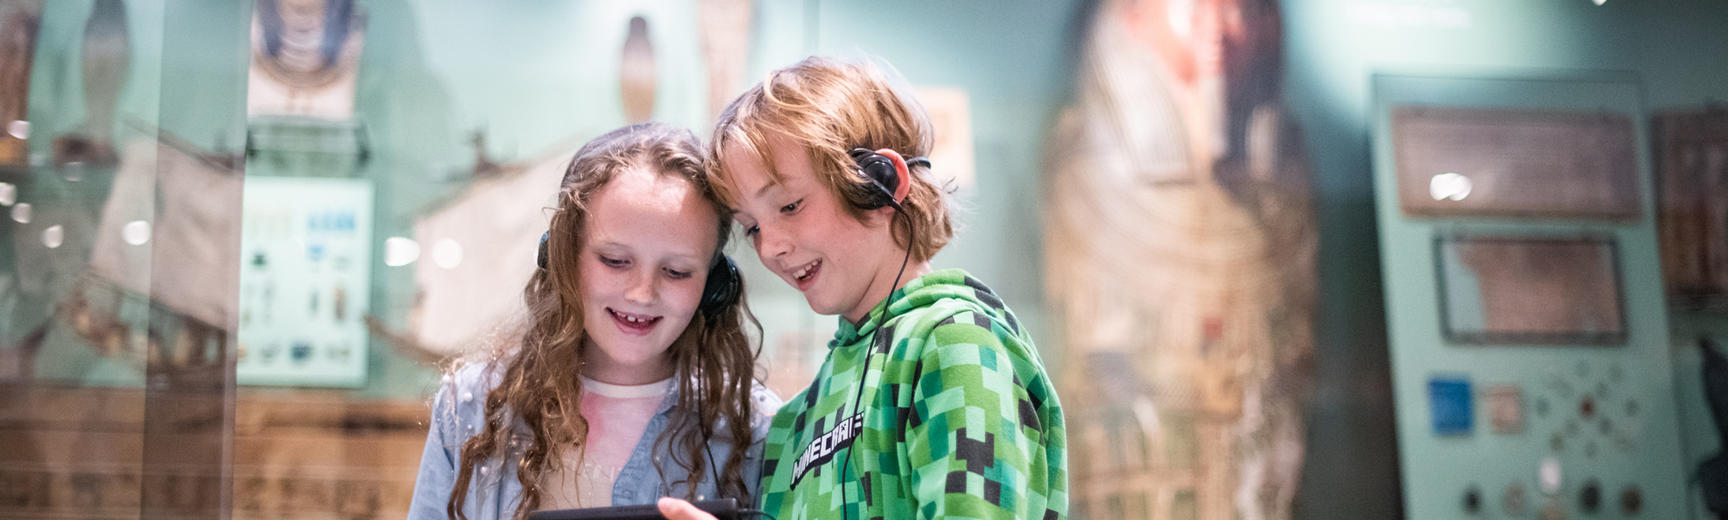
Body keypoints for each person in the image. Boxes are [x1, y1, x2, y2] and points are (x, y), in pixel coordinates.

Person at [658, 56, 1068, 520]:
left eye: (790, 206)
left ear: (879, 184)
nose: (770, 248)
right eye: (751, 228)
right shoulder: (799, 416)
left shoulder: (957, 344)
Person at [408, 122, 781, 520]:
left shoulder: (754, 427)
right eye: (615, 261)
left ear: (714, 285)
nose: (642, 293)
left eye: (676, 271)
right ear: (566, 257)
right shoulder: (473, 407)